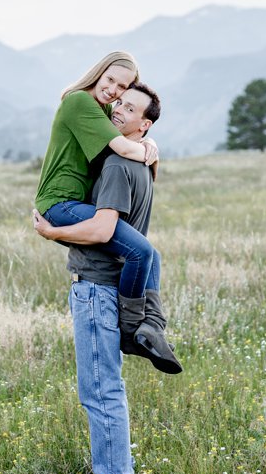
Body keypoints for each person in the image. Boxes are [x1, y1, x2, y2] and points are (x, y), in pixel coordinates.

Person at [32, 83, 179, 474]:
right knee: (104, 386)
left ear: (143, 124)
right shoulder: (144, 165)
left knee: (101, 389)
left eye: (129, 107)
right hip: (114, 283)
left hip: (97, 287)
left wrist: (51, 231)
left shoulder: (116, 165)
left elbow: (102, 230)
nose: (117, 109)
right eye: (118, 102)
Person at [33, 51, 166, 348]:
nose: (113, 90)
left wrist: (148, 140)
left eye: (122, 88)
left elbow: (128, 143)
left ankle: (154, 327)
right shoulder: (80, 101)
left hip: (78, 204)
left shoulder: (104, 111)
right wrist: (150, 148)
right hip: (59, 203)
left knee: (151, 255)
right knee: (139, 251)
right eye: (110, 80)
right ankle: (132, 332)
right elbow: (125, 148)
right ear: (99, 72)